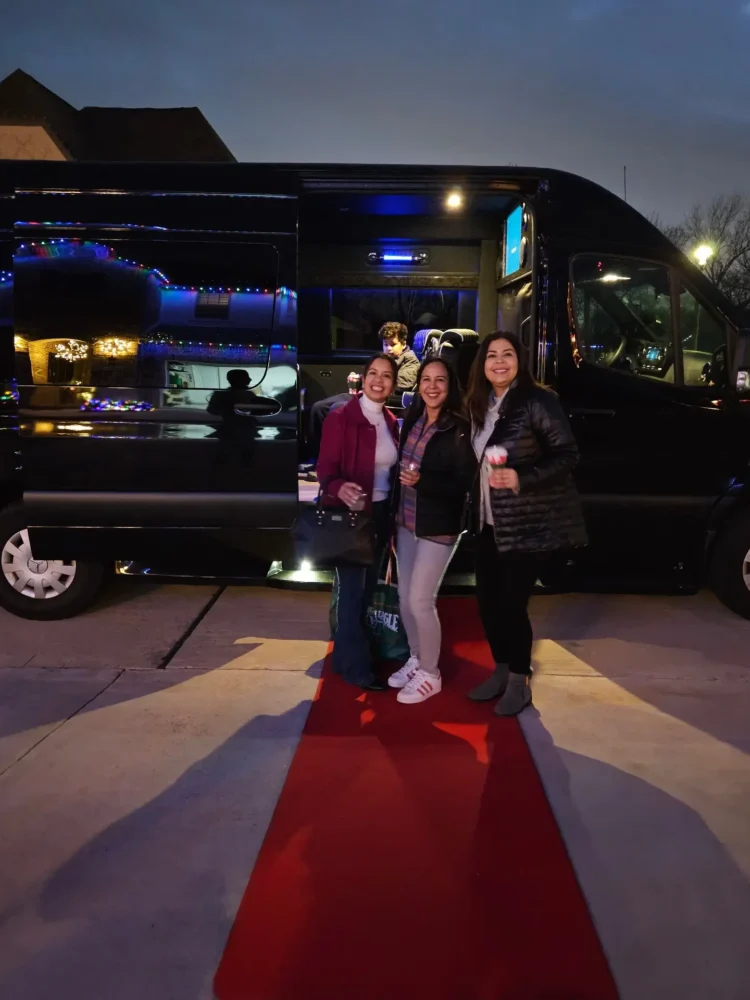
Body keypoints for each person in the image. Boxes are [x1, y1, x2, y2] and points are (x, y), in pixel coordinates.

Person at [466, 331, 586, 716]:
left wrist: (522, 477)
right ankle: (501, 670)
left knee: (512, 605)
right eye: (491, 356)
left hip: (525, 522)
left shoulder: (538, 400)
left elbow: (567, 455)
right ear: (482, 365)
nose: (499, 362)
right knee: (487, 603)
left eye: (507, 355)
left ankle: (520, 680)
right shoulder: (480, 404)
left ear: (520, 361)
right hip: (487, 521)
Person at [388, 357, 477, 704]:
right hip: (407, 521)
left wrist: (424, 481)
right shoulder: (414, 418)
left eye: (440, 380)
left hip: (438, 525)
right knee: (403, 598)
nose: (432, 386)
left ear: (450, 386)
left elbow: (464, 484)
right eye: (426, 379)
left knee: (420, 601)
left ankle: (431, 673)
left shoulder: (459, 427)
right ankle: (416, 658)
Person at [317, 353, 400, 691]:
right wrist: (340, 487)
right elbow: (324, 471)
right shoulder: (341, 418)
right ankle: (355, 668)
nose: (378, 381)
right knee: (352, 593)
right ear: (363, 378)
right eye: (373, 374)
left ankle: (345, 657)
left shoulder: (392, 421)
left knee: (365, 593)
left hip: (380, 516)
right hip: (351, 517)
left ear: (394, 384)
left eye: (386, 376)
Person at [305, 322, 419, 465]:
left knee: (338, 408)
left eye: (393, 344)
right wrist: (360, 378)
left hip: (381, 401)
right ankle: (318, 458)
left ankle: (337, 462)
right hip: (364, 394)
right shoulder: (383, 359)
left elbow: (399, 384)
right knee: (318, 408)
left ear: (403, 343)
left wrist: (369, 384)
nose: (388, 348)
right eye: (385, 344)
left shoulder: (411, 362)